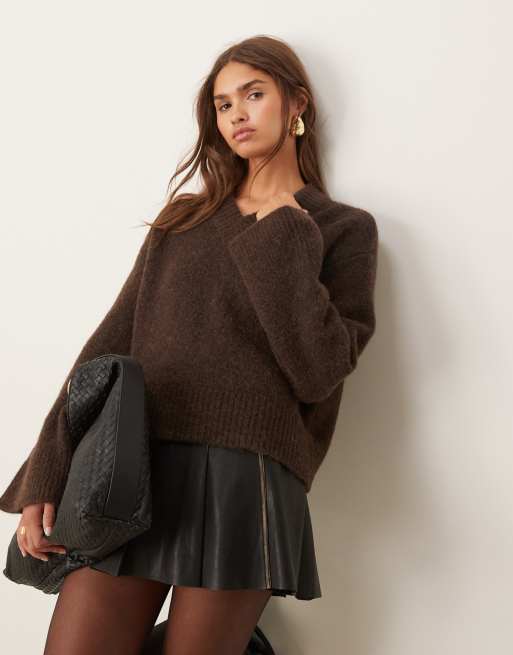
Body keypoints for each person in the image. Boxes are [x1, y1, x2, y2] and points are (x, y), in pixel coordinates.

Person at [0, 35, 378, 654]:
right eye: (223, 104)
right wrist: (48, 469)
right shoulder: (184, 221)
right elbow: (106, 350)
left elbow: (319, 370)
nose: (236, 115)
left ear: (297, 104)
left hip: (246, 480)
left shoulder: (341, 228)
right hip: (136, 474)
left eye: (253, 95)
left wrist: (283, 226)